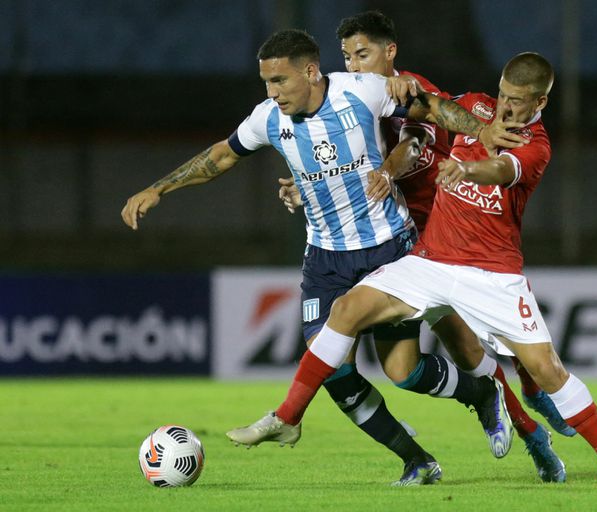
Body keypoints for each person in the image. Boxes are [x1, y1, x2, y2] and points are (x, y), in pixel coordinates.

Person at [121, 29, 521, 486]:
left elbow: (429, 107)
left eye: (280, 81)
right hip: (325, 260)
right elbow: (221, 155)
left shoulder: (359, 92)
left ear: (310, 72)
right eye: (266, 83)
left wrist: (482, 129)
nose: (272, 93)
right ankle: (417, 461)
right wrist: (159, 188)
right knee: (330, 368)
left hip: (386, 249)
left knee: (403, 372)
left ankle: (481, 393)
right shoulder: (268, 118)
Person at [237, 52, 597, 489]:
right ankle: (288, 416)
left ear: (540, 102)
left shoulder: (536, 145)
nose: (507, 107)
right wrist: (397, 81)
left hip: (492, 274)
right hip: (430, 260)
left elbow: (500, 169)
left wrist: (466, 167)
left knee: (547, 370)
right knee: (346, 311)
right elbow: (426, 105)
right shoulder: (475, 108)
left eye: (518, 102)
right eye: (503, 94)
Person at [278, 10, 570, 482]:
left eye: (364, 54)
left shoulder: (410, 90)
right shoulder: (343, 98)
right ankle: (516, 432)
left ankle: (533, 416)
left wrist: (390, 169)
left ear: (389, 52)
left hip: (445, 232)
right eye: (348, 56)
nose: (354, 65)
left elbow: (414, 141)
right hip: (394, 243)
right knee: (432, 358)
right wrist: (301, 187)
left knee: (491, 348)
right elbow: (333, 165)